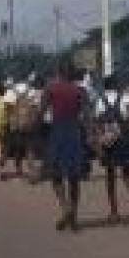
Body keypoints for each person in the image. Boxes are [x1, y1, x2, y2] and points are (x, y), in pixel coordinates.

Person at [40, 60, 90, 232]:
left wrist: (35, 130)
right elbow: (88, 117)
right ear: (73, 73)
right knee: (74, 177)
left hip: (57, 132)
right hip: (75, 133)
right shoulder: (80, 91)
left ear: (59, 72)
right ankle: (73, 215)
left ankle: (65, 208)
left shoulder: (50, 89)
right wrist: (92, 137)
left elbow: (41, 112)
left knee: (56, 175)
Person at [94, 74, 129, 223]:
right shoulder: (124, 98)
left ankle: (114, 210)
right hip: (123, 138)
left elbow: (97, 120)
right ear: (116, 85)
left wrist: (100, 138)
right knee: (126, 171)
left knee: (110, 176)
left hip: (108, 141)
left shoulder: (100, 101)